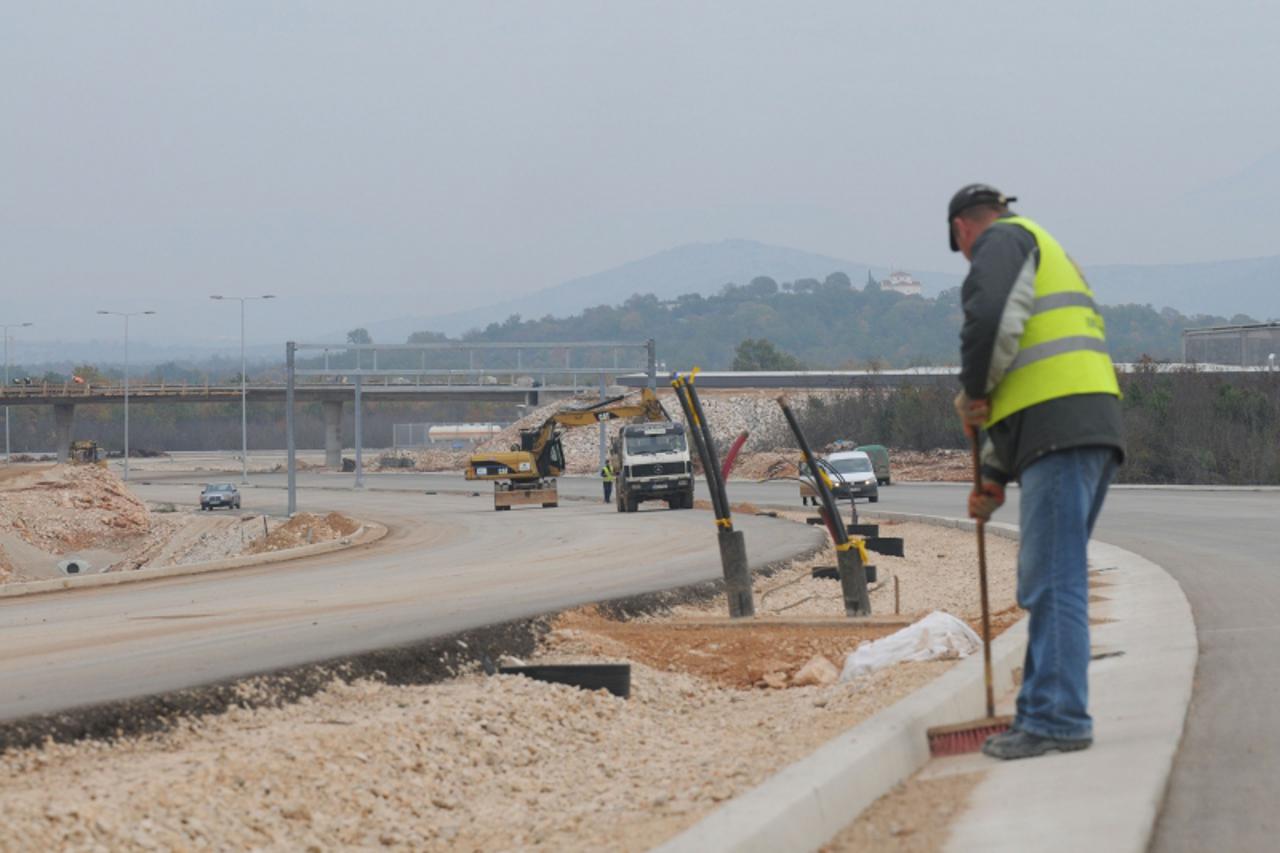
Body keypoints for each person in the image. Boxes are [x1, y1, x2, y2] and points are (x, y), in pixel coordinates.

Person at [948, 184, 1125, 760]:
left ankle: (1057, 719)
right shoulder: (1045, 248)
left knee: (1054, 580)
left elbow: (990, 322)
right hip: (1082, 425)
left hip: (1061, 431)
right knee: (1055, 576)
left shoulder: (1001, 241)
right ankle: (1046, 711)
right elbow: (1024, 380)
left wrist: (973, 391)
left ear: (962, 229)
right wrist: (992, 478)